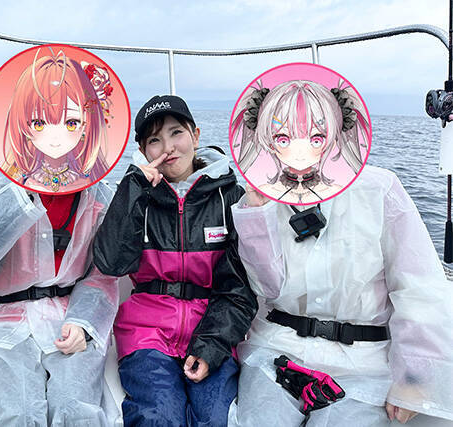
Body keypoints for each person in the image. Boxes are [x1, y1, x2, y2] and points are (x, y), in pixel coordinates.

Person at [227, 169, 453, 423]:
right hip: (277, 351)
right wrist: (257, 215)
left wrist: (415, 376)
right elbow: (267, 289)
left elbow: (418, 286)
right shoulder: (266, 191)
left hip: (364, 366)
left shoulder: (380, 188)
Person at [92, 95, 258, 426]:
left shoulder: (229, 197)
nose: (168, 147)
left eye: (176, 133)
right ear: (143, 151)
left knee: (216, 418)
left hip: (212, 329)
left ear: (195, 135)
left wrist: (211, 346)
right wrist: (132, 188)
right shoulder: (137, 195)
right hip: (145, 333)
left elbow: (240, 290)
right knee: (158, 416)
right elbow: (110, 262)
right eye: (155, 140)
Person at [0, 161, 118, 423]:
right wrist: (17, 193)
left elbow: (102, 272)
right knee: (19, 413)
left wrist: (84, 323)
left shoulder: (98, 192)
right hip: (6, 322)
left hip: (71, 318)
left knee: (76, 410)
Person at [230, 80, 370, 203]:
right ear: (269, 143)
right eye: (283, 140)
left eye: (316, 140)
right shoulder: (262, 192)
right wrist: (255, 207)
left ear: (332, 143)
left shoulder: (339, 192)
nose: (300, 152)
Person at [1, 46, 111, 192]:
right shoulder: (8, 181)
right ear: (22, 125)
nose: (55, 138)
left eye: (71, 124)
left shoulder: (95, 187)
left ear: (87, 125)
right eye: (39, 124)